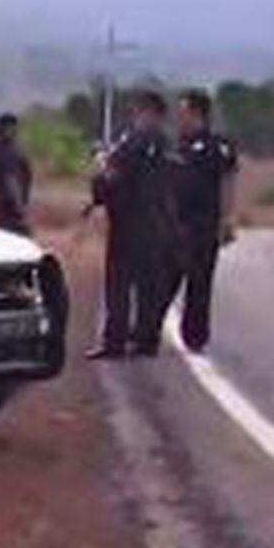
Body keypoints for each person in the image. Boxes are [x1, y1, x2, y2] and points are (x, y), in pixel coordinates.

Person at [86, 91, 175, 359]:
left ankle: (115, 342)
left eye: (138, 111)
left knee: (119, 284)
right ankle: (147, 341)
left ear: (149, 113)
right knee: (149, 285)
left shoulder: (131, 142)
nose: (134, 115)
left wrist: (101, 168)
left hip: (128, 221)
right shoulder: (164, 144)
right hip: (155, 222)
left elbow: (112, 176)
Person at [153, 88, 241, 353]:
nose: (179, 118)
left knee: (199, 284)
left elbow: (228, 181)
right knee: (162, 279)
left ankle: (195, 337)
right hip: (174, 224)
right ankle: (147, 331)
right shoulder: (175, 146)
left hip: (203, 225)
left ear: (197, 114)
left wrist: (228, 219)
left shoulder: (217, 147)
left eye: (184, 112)